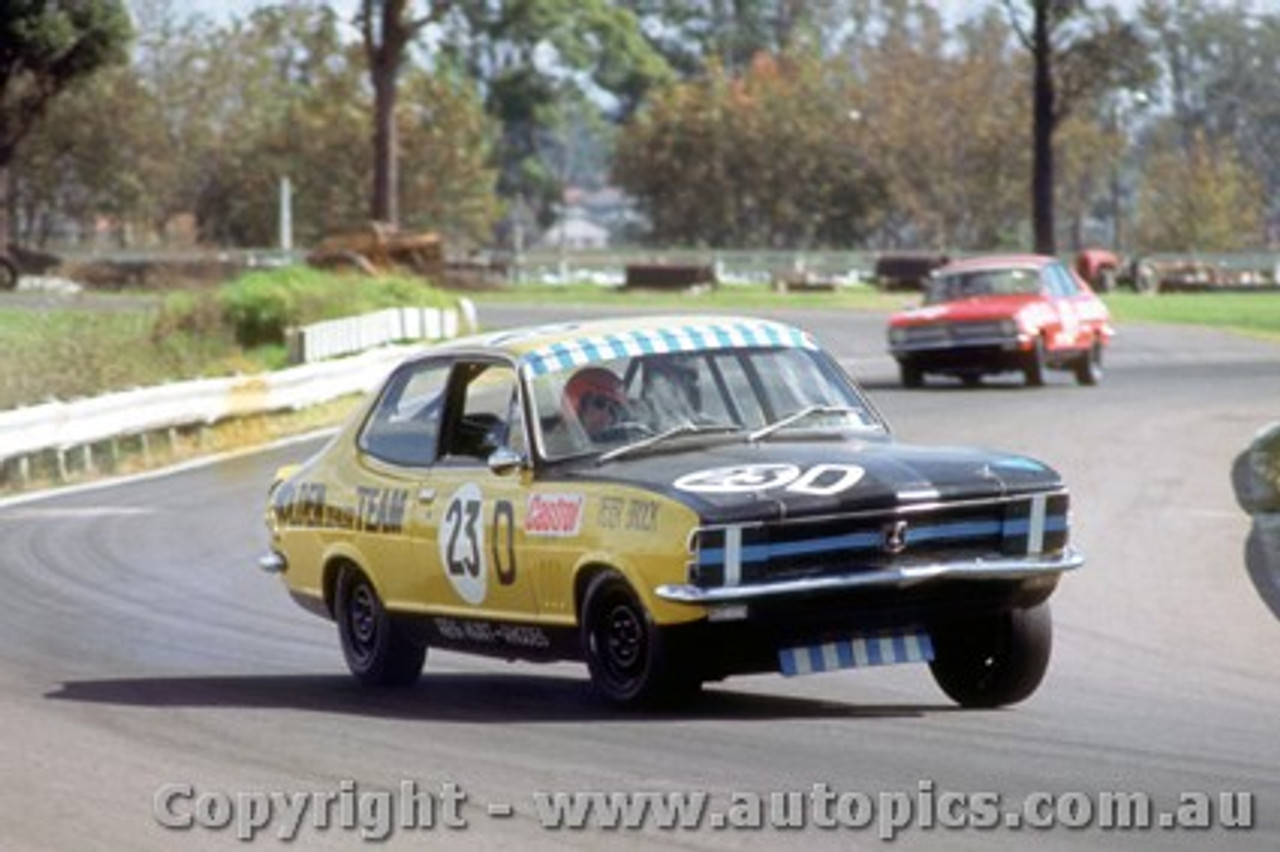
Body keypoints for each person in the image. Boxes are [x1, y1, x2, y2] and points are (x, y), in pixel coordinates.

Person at [562, 366, 627, 441]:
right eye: (600, 403)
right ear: (577, 406)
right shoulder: (559, 447)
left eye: (612, 409)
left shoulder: (620, 442)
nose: (606, 416)